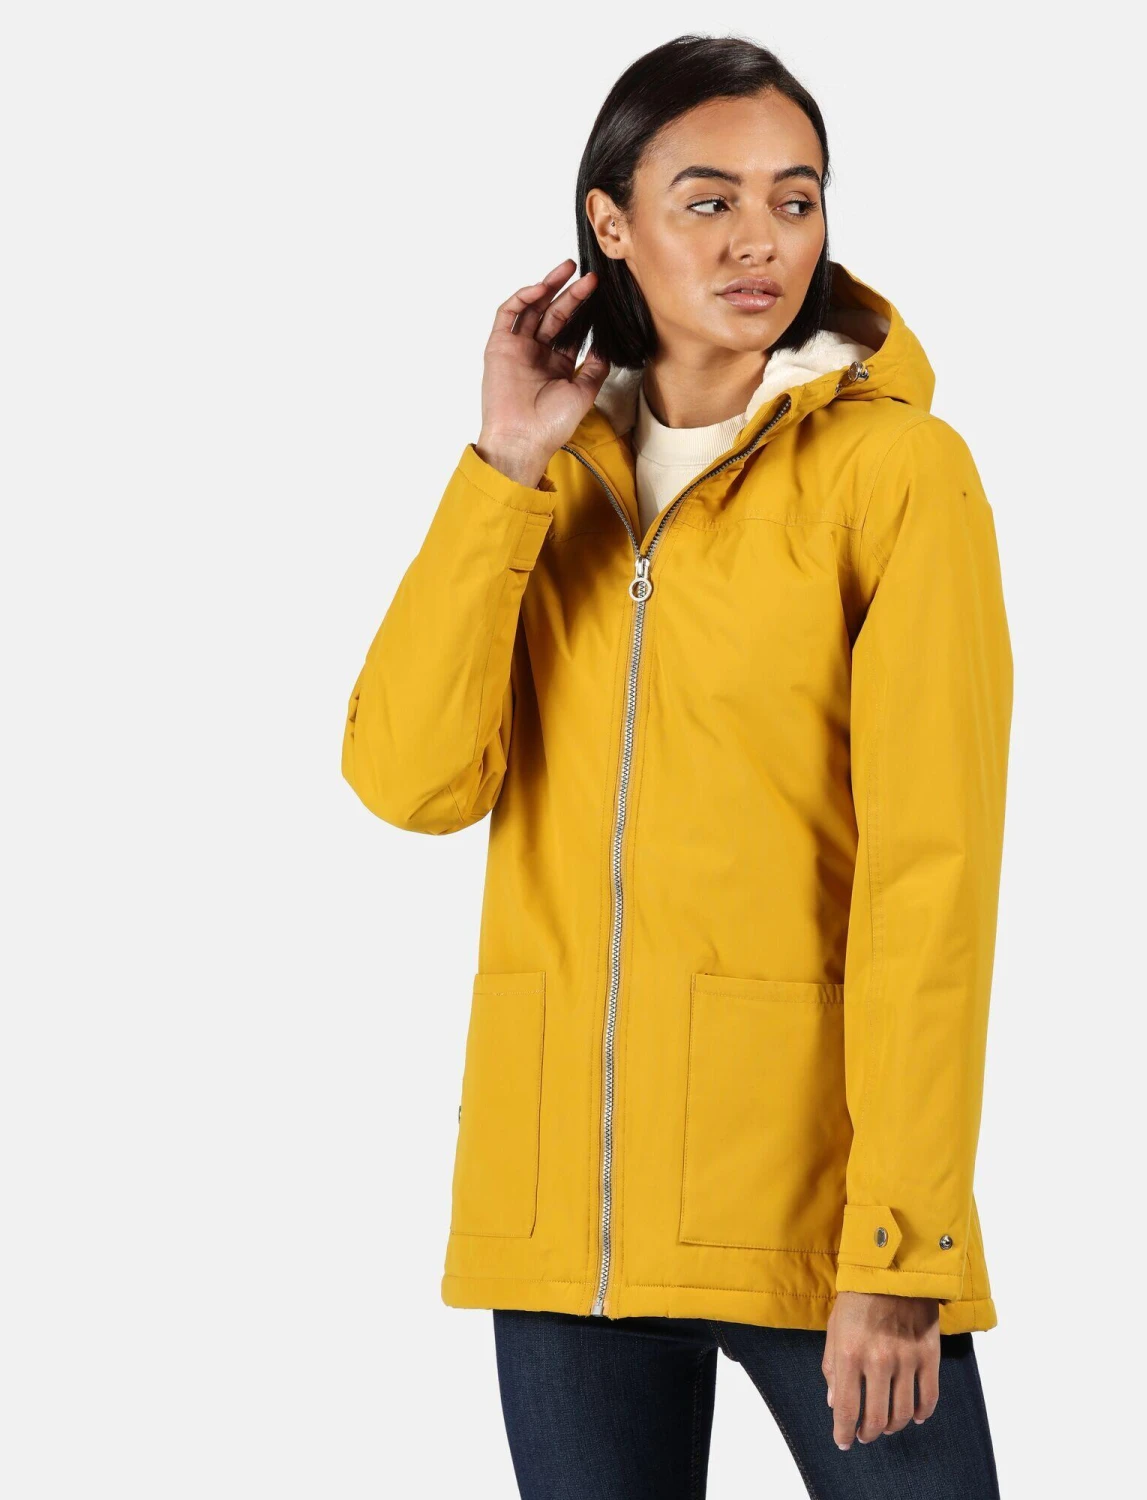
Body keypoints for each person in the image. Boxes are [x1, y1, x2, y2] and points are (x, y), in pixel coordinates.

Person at [341, 33, 1014, 1500]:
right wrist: (503, 468)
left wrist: (901, 1244)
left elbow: (932, 883)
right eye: (709, 200)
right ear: (611, 223)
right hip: (562, 1216)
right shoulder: (552, 478)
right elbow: (411, 779)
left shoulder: (898, 476)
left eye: (795, 198)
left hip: (818, 1217)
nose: (760, 238)